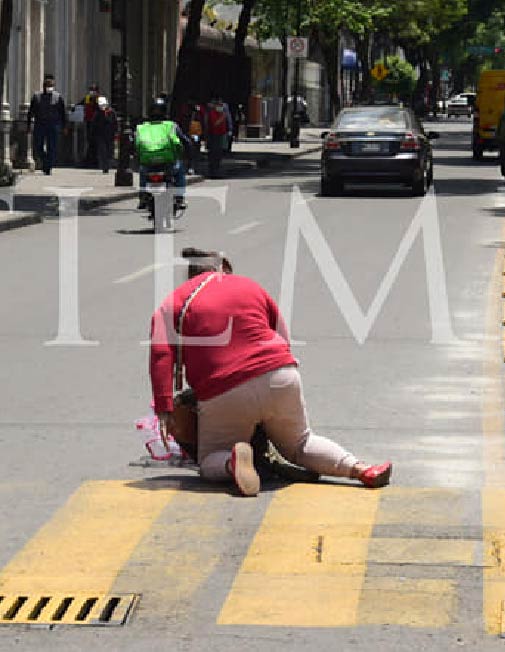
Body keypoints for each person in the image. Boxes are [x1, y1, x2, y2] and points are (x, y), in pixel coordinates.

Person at [149, 248, 394, 497]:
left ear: (190, 274)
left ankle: (231, 463)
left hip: (224, 390)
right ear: (224, 267)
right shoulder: (249, 286)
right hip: (280, 374)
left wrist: (164, 408)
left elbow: (161, 355)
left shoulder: (172, 304)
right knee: (301, 443)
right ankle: (360, 469)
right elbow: (282, 335)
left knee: (210, 457)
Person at [134, 94, 190, 211]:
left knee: (143, 173)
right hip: (169, 163)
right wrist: (188, 150)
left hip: (148, 163)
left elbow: (135, 144)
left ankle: (143, 197)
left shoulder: (142, 127)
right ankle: (180, 197)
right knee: (180, 171)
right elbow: (183, 141)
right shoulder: (171, 126)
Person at [28, 75, 67, 175]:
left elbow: (63, 113)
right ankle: (46, 161)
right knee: (38, 146)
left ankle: (48, 166)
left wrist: (64, 126)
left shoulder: (58, 97)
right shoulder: (37, 97)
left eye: (51, 86)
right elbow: (31, 111)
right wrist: (29, 125)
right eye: (48, 86)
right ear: (44, 87)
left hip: (53, 125)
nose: (49, 88)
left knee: (52, 147)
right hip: (40, 124)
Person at [204, 93, 233, 178]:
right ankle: (214, 170)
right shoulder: (211, 109)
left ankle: (215, 170)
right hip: (214, 133)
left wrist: (230, 129)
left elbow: (228, 118)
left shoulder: (222, 107)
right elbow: (208, 121)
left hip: (219, 133)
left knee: (217, 153)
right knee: (214, 153)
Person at [93, 97, 118, 174]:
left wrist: (115, 132)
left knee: (109, 151)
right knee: (103, 151)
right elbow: (94, 124)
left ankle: (107, 164)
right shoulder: (98, 113)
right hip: (101, 134)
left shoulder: (111, 112)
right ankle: (105, 166)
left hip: (109, 134)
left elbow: (114, 123)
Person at [81, 83, 101, 166]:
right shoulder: (87, 98)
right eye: (91, 90)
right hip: (89, 122)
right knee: (89, 140)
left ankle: (95, 160)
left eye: (93, 90)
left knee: (95, 142)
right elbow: (81, 104)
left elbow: (103, 109)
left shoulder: (100, 99)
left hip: (98, 124)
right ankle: (90, 159)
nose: (92, 92)